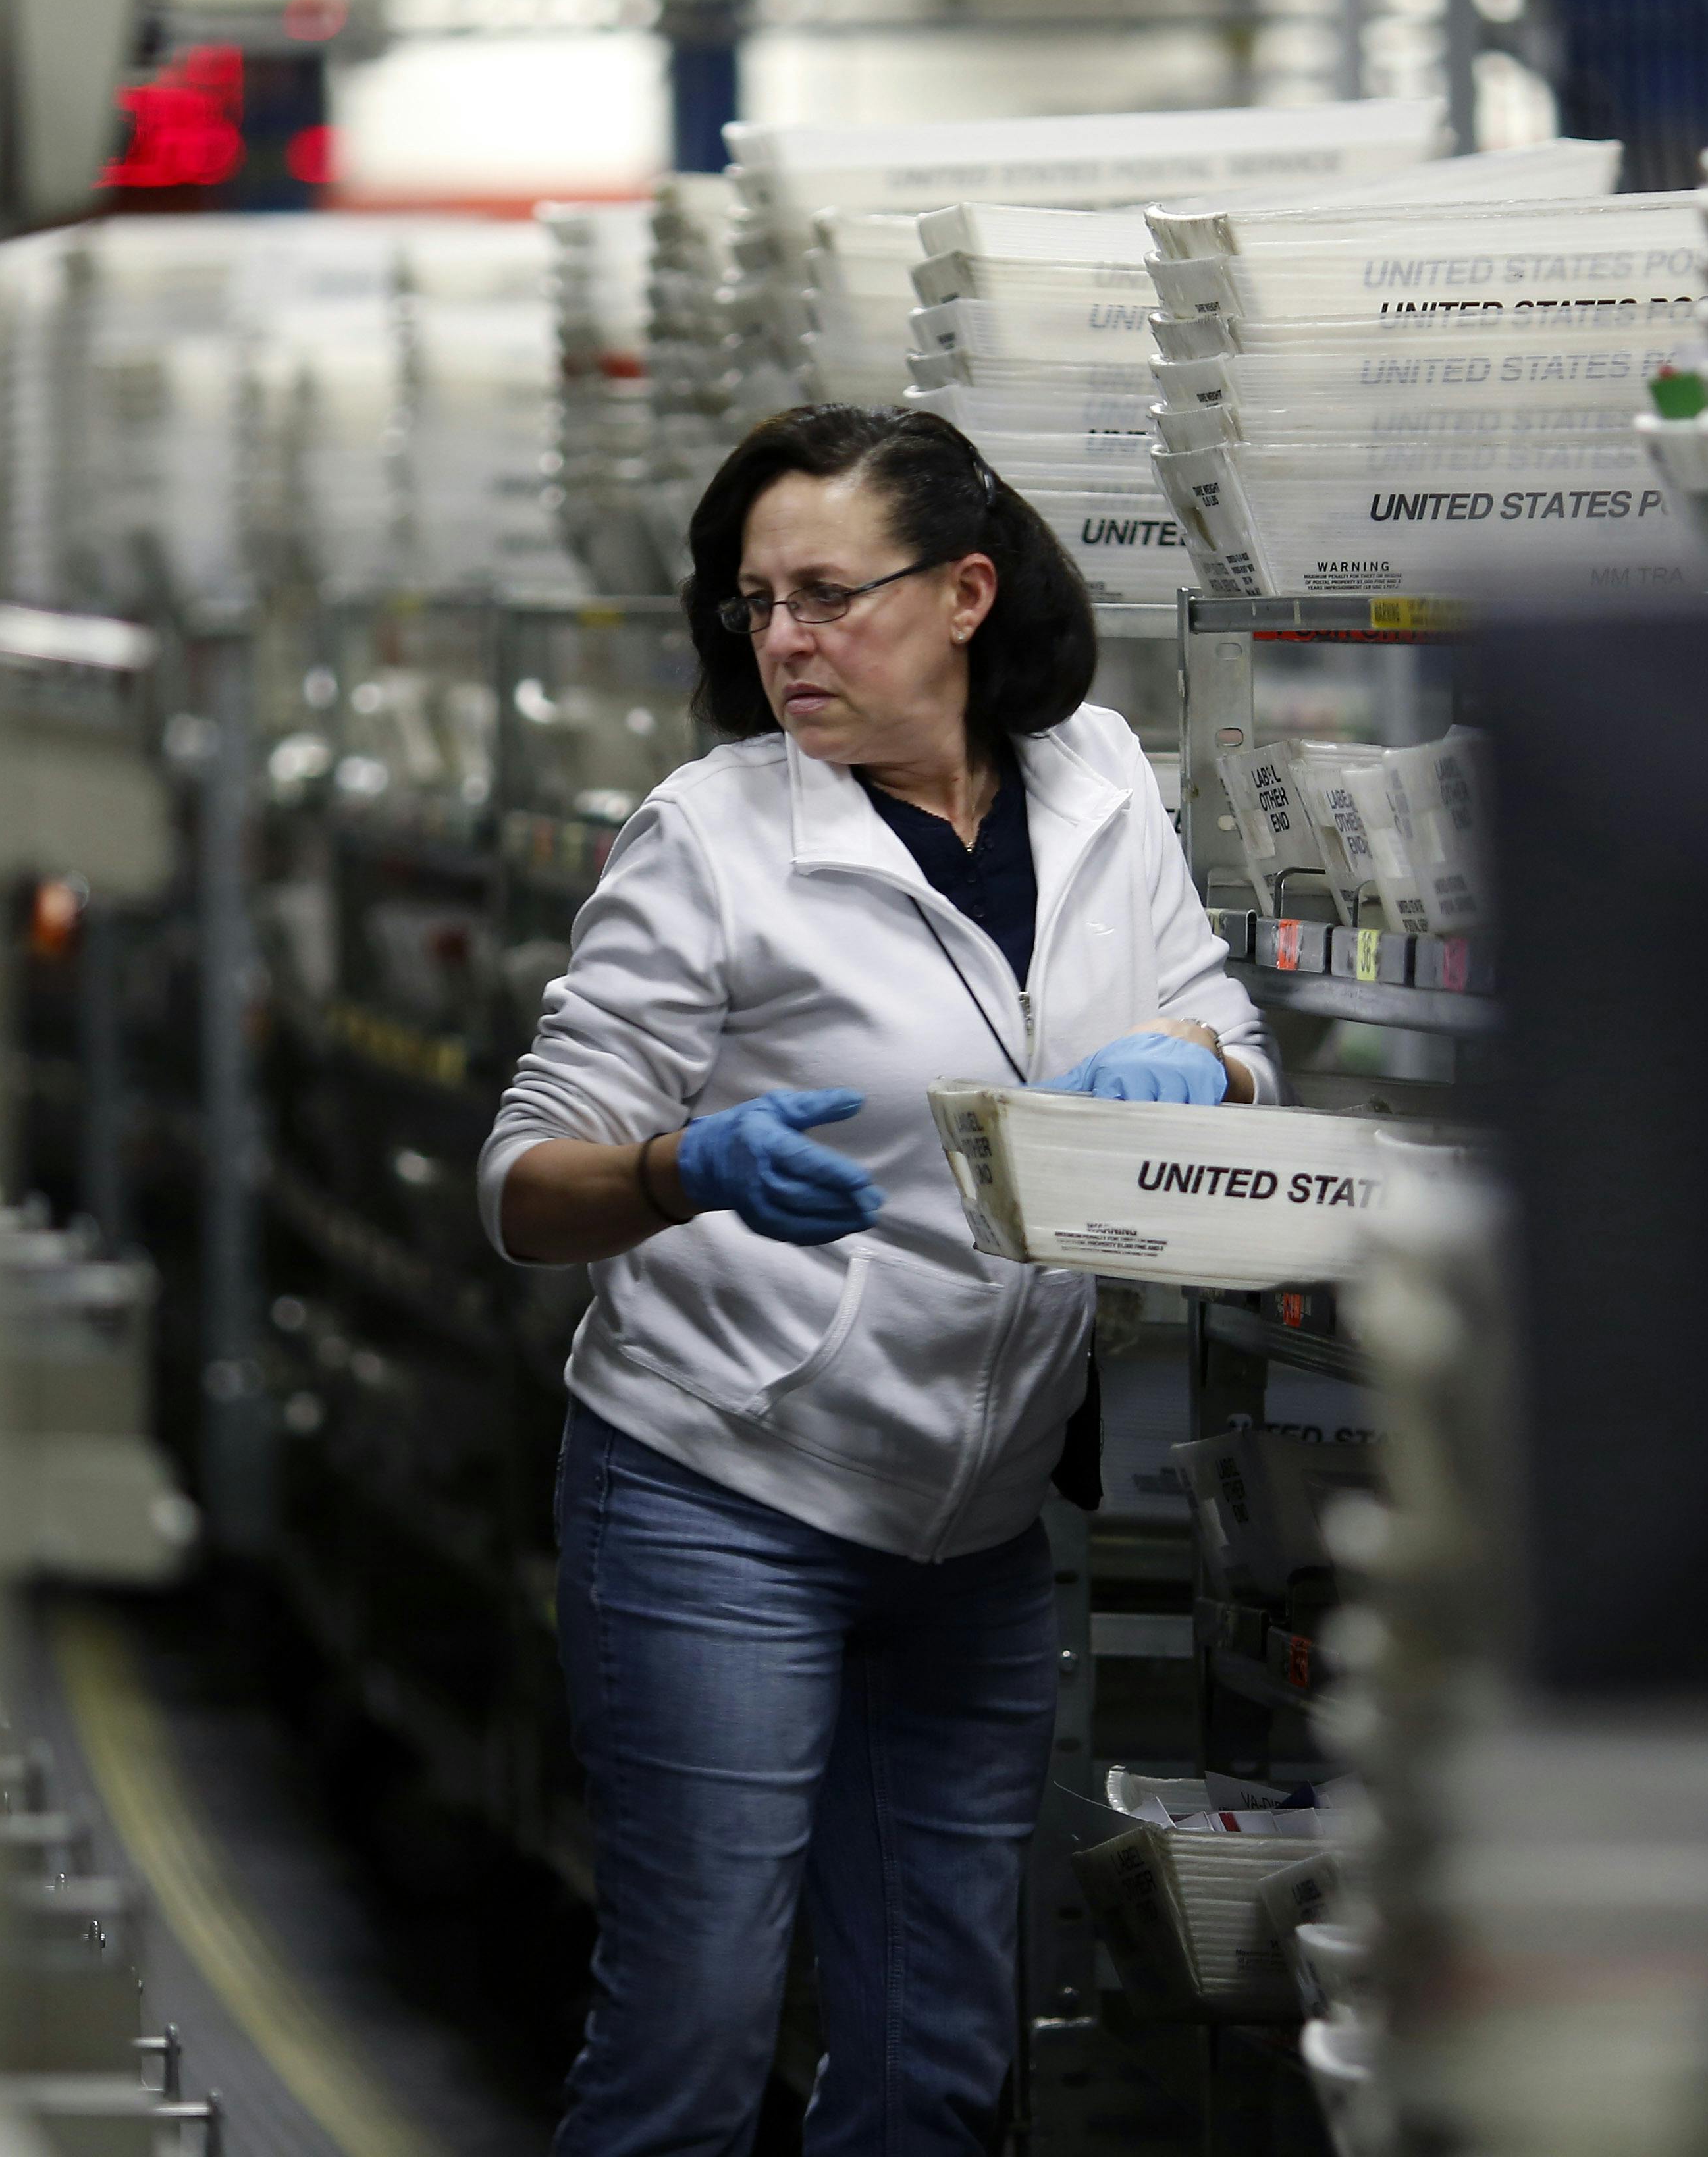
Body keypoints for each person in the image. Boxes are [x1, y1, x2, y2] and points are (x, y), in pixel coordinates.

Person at [481, 404, 1275, 2156]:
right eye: (757, 601)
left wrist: (1201, 1071)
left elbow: (1221, 1014)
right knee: (693, 2029)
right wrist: (682, 1169)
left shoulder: (1100, 780)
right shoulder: (708, 839)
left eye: (830, 594)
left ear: (969, 592)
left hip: (976, 1531)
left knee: (934, 2060)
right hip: (723, 1498)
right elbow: (526, 1185)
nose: (784, 639)